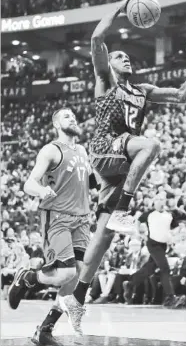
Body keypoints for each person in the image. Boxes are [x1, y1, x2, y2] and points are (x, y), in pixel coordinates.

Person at [60, 0, 186, 335]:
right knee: (153, 142)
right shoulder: (104, 80)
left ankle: (75, 302)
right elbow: (97, 38)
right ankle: (123, 209)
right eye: (120, 57)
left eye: (128, 57)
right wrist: (121, 8)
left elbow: (182, 96)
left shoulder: (142, 89)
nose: (125, 59)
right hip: (104, 149)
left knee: (102, 243)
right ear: (109, 63)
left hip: (123, 161)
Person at [8, 108, 99, 345]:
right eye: (67, 116)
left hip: (81, 219)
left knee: (77, 277)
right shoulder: (51, 150)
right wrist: (41, 190)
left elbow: (91, 181)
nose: (74, 118)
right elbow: (29, 183)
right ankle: (29, 276)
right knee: (66, 273)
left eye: (74, 116)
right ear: (56, 124)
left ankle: (45, 330)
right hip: (57, 217)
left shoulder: (81, 150)